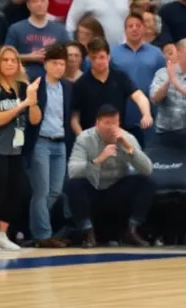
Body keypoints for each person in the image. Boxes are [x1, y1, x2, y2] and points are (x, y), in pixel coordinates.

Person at [0, 47, 41, 251]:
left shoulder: (22, 87)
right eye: (5, 60)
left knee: (22, 190)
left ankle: (1, 232)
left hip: (14, 148)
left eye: (14, 60)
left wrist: (32, 101)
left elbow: (35, 119)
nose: (10, 63)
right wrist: (22, 105)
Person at [65, 104, 154, 247]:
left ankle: (131, 231)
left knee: (146, 182)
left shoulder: (127, 138)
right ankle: (88, 233)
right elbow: (73, 171)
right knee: (74, 184)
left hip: (115, 192)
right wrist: (98, 160)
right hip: (93, 192)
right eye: (107, 123)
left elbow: (148, 169)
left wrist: (129, 148)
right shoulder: (84, 138)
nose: (112, 127)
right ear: (97, 123)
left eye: (115, 123)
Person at [30, 44, 72, 248]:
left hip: (60, 142)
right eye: (54, 63)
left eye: (62, 64)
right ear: (46, 64)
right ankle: (43, 234)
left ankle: (34, 227)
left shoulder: (67, 87)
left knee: (56, 190)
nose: (58, 67)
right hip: (42, 142)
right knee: (42, 190)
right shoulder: (36, 85)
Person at [71, 39, 154, 136]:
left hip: (117, 134)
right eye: (94, 58)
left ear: (108, 57)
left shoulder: (120, 77)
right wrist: (82, 137)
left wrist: (146, 114)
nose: (98, 61)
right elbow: (74, 118)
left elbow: (139, 96)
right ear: (89, 58)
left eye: (102, 57)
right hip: (92, 137)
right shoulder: (80, 84)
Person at [4, 0, 70, 82]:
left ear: (48, 3)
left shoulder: (60, 30)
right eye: (35, 1)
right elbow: (5, 56)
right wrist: (30, 57)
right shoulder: (16, 28)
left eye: (43, 1)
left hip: (52, 81)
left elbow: (67, 56)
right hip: (23, 81)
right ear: (28, 5)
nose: (39, 4)